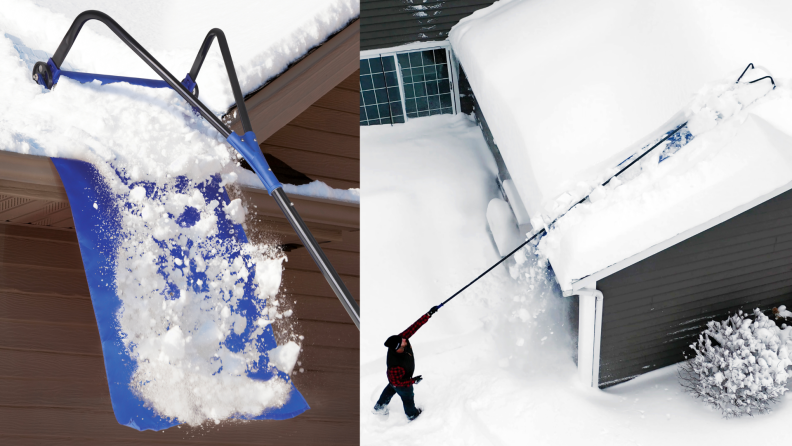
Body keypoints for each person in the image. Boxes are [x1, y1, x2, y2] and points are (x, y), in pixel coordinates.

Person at [372, 305, 439, 421]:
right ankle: (412, 414)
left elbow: (414, 327)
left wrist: (428, 314)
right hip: (400, 381)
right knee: (407, 397)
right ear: (398, 348)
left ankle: (379, 407)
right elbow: (399, 382)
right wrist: (413, 381)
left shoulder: (399, 340)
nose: (405, 338)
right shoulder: (395, 365)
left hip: (396, 380)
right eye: (402, 340)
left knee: (391, 388)